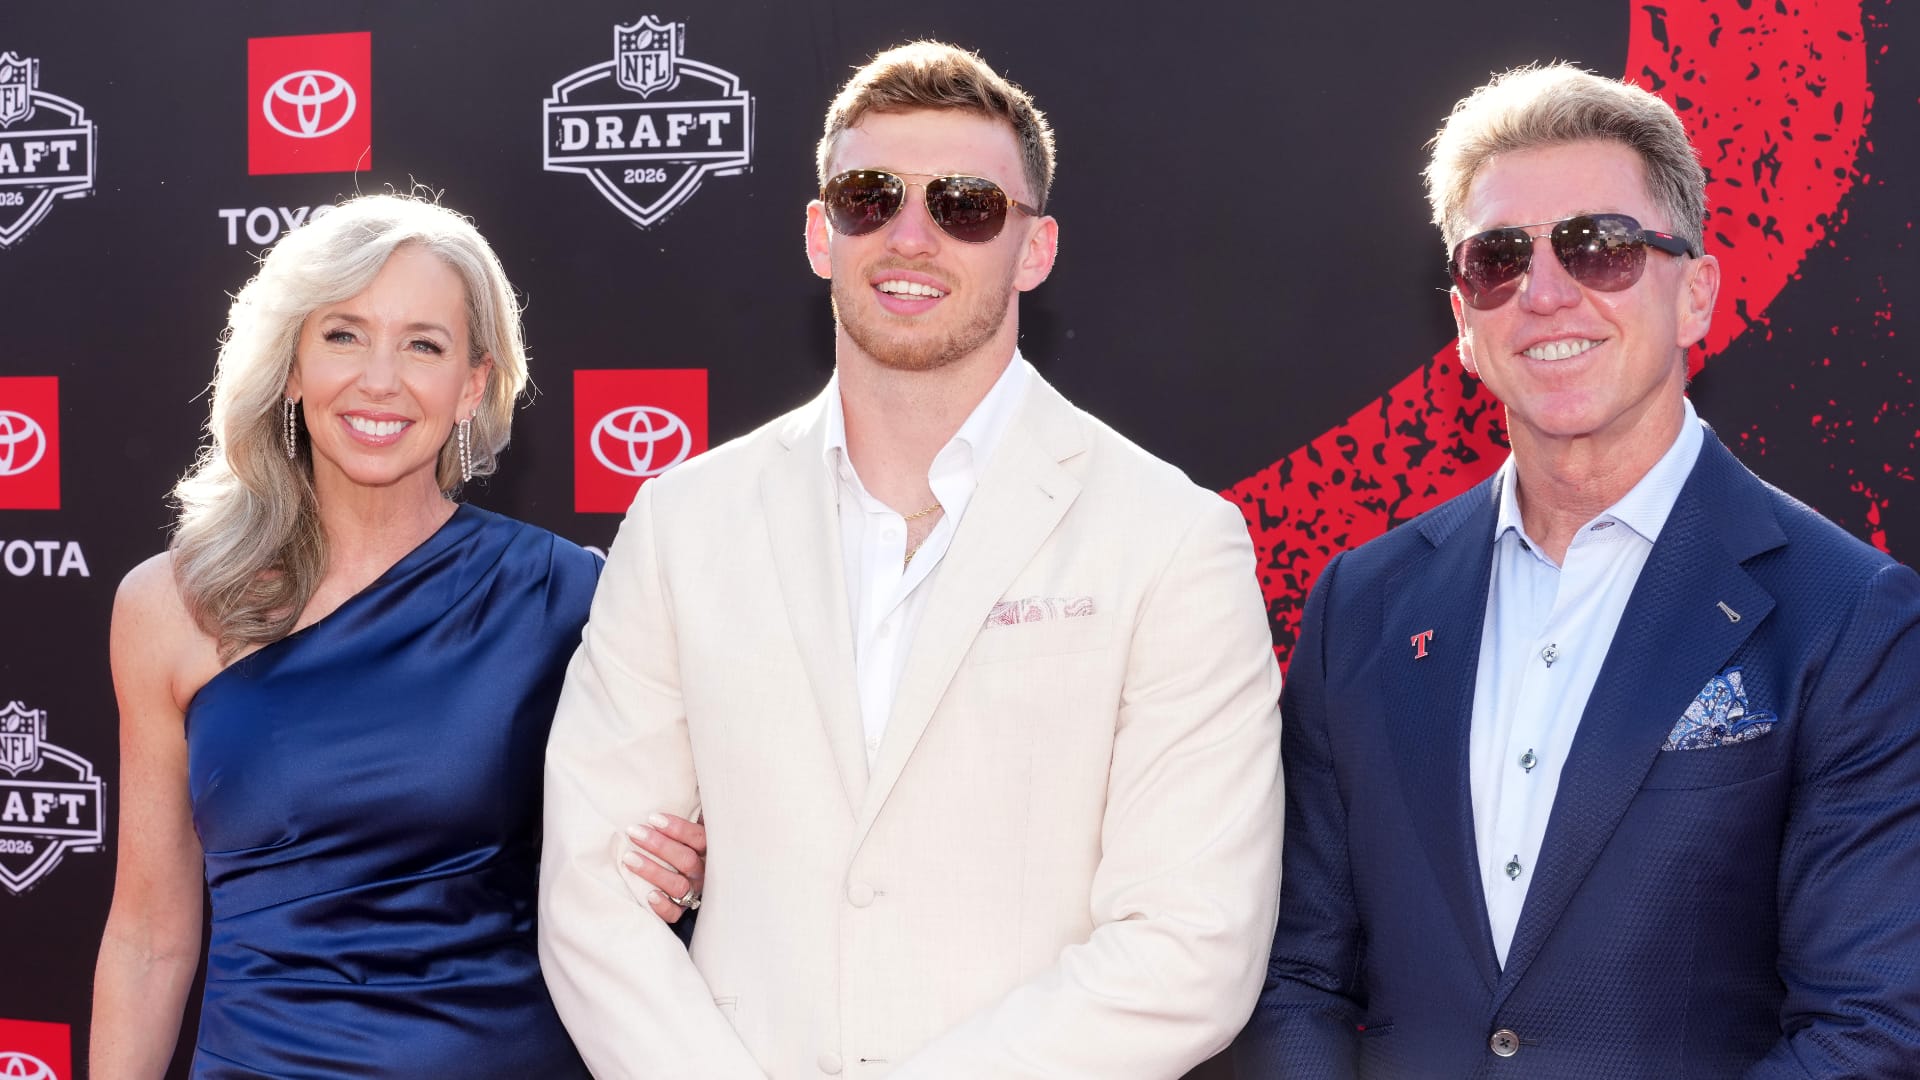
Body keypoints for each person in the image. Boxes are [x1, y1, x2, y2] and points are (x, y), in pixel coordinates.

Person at [539, 40, 1283, 1078]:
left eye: (967, 205)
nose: (911, 235)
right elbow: (595, 895)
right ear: (820, 233)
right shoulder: (683, 522)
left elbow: (1190, 944)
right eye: (870, 197)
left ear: (1034, 249)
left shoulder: (1170, 538)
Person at [1234, 64, 1920, 1077]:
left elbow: (1868, 1025)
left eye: (1600, 247)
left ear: (1696, 294)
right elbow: (1296, 976)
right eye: (1499, 258)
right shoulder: (1362, 605)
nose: (1546, 293)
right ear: (1465, 322)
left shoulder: (1849, 614)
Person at [89, 194, 703, 1078]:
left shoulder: (566, 597)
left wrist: (684, 870)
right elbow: (148, 938)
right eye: (344, 335)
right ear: (291, 366)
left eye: (423, 345)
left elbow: (665, 852)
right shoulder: (171, 607)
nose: (380, 380)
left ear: (473, 385)